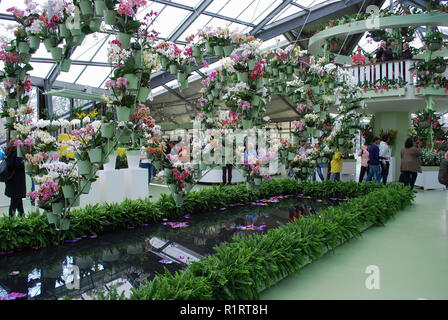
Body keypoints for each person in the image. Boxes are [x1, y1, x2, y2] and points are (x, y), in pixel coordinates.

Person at [5, 140, 26, 217]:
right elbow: (19, 165)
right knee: (14, 203)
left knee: (18, 202)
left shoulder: (9, 151)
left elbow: (10, 164)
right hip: (17, 181)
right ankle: (10, 221)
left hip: (11, 180)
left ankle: (22, 217)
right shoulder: (17, 152)